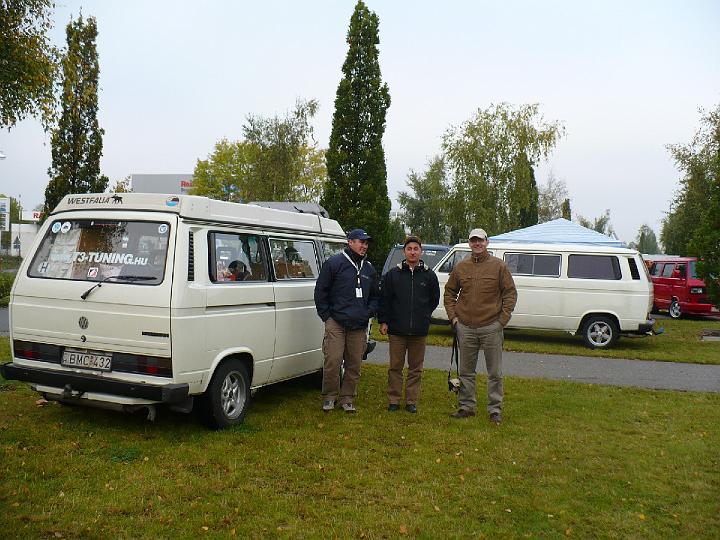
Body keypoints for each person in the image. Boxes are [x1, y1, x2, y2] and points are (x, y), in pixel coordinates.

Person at [444, 228, 517, 424]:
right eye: (473, 240)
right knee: (466, 372)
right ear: (469, 243)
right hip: (465, 327)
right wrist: (454, 318)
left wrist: (501, 321)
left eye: (480, 240)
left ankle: (495, 410)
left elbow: (510, 294)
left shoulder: (499, 266)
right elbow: (449, 293)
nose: (477, 243)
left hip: (491, 327)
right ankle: (466, 407)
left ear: (487, 242)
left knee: (495, 373)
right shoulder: (461, 267)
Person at [314, 228, 380, 413]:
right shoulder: (334, 263)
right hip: (336, 322)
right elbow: (320, 291)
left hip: (358, 326)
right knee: (333, 361)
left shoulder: (368, 268)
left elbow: (376, 296)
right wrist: (327, 317)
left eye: (366, 243)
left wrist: (368, 312)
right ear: (350, 242)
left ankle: (347, 398)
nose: (364, 246)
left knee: (354, 364)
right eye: (361, 242)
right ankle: (329, 397)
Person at [378, 236, 440, 413]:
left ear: (421, 252)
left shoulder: (429, 275)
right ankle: (394, 400)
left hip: (419, 331)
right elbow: (385, 300)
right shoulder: (393, 274)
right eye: (409, 249)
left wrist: (424, 315)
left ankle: (411, 401)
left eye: (416, 249)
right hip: (397, 330)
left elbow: (434, 299)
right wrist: (384, 321)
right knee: (395, 367)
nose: (412, 252)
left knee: (416, 369)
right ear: (404, 252)